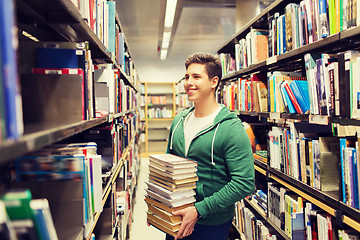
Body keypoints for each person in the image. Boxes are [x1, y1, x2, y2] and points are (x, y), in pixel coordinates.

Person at [165, 53, 255, 240]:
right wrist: (159, 202)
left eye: (196, 77)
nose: (189, 82)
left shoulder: (231, 128)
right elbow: (168, 165)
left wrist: (199, 210)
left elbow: (244, 183)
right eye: (187, 76)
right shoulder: (178, 121)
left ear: (214, 82)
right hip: (176, 217)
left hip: (211, 222)